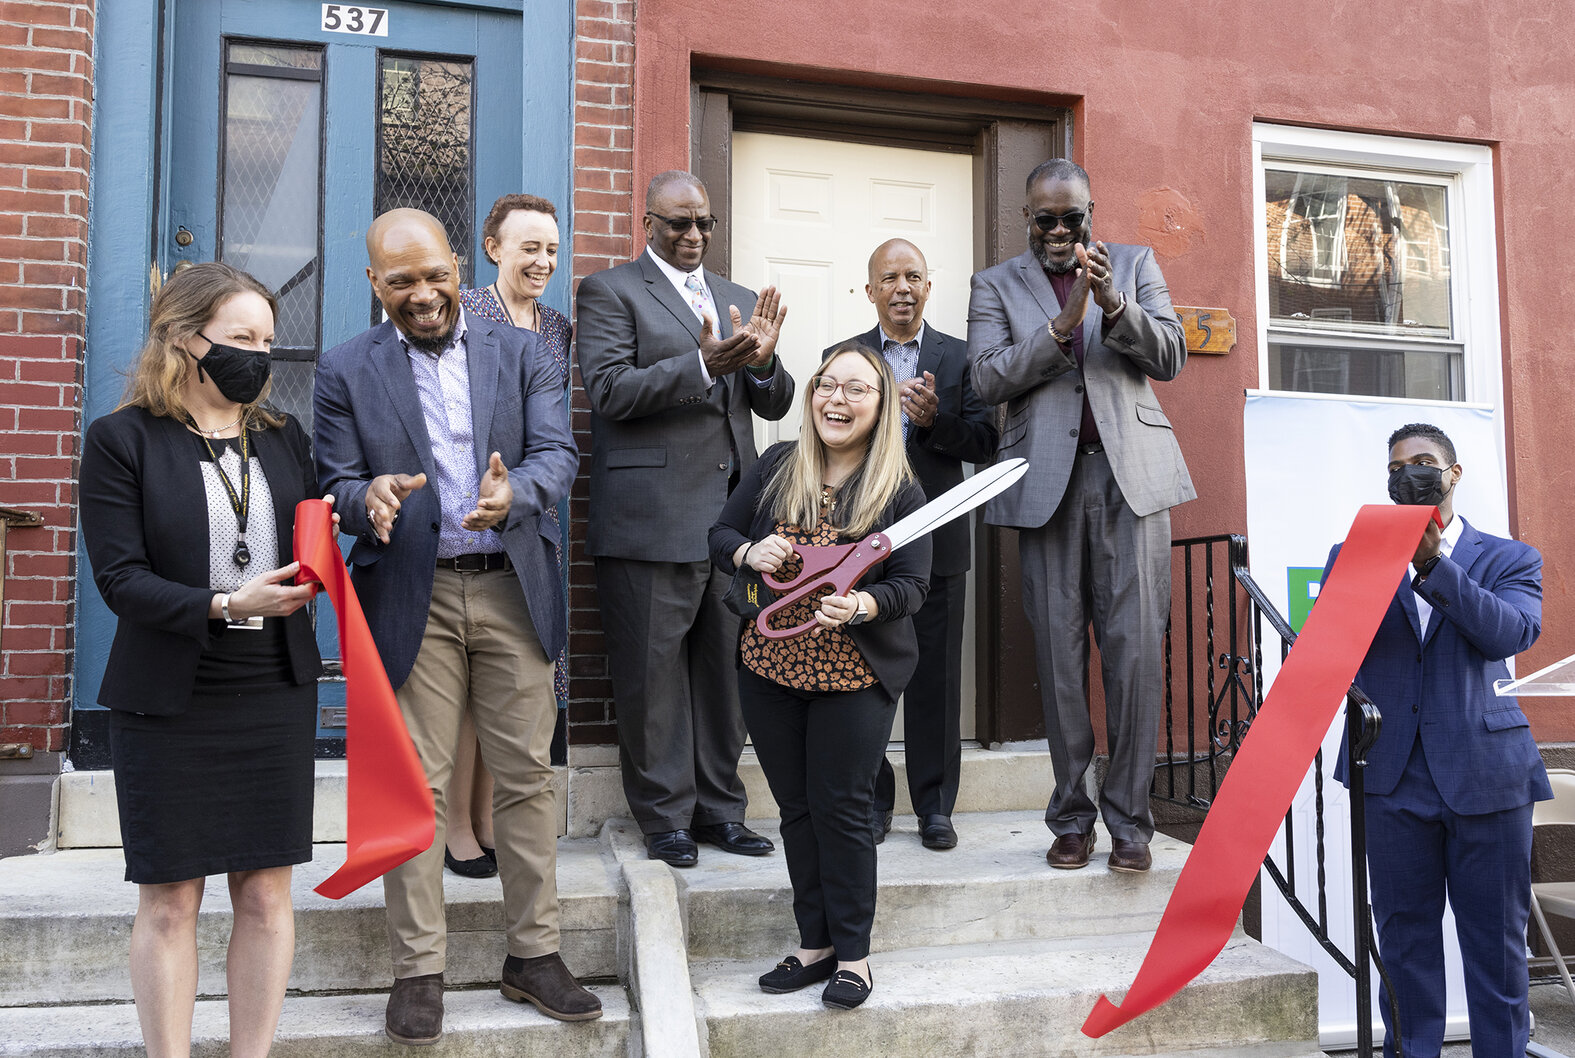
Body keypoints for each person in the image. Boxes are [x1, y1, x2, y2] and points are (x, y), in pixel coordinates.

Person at [313, 208, 596, 1044]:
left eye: (435, 274)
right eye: (402, 281)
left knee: (525, 779)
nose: (424, 293)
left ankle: (533, 957)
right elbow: (333, 478)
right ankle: (418, 971)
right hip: (413, 591)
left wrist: (523, 493)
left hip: (510, 581)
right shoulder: (343, 368)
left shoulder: (524, 350)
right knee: (420, 790)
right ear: (376, 284)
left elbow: (557, 453)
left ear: (456, 267)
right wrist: (364, 501)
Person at [79, 261, 327, 1058]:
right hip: (170, 699)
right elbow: (121, 581)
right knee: (170, 900)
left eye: (267, 340)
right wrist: (225, 603)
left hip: (273, 689)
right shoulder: (121, 441)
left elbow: (318, 533)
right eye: (240, 339)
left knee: (264, 894)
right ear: (185, 340)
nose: (258, 356)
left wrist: (373, 500)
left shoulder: (285, 440)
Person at [969, 158, 1193, 874]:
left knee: (1133, 656)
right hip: (1046, 489)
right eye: (1046, 219)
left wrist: (1117, 308)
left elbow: (1171, 357)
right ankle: (1071, 817)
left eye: (1074, 217)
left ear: (1092, 213)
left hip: (1131, 484)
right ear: (1026, 218)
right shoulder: (994, 285)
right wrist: (1063, 326)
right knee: (1060, 661)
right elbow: (985, 377)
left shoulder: (1134, 263)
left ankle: (1130, 821)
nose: (1061, 231)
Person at [576, 170, 792, 866]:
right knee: (653, 681)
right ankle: (665, 818)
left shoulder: (734, 298)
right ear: (648, 223)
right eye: (677, 224)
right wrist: (702, 365)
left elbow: (773, 401)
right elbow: (609, 392)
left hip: (731, 526)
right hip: (649, 522)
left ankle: (720, 812)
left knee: (726, 676)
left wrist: (758, 364)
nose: (693, 235)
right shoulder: (609, 291)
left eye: (703, 223)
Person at [710, 342, 930, 1009]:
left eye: (855, 389)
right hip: (769, 667)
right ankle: (815, 945)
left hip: (852, 674)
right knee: (797, 810)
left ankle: (854, 957)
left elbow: (913, 585)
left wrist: (864, 603)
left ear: (880, 402)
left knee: (841, 810)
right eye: (826, 385)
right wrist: (751, 549)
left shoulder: (898, 488)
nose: (836, 399)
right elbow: (719, 537)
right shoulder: (780, 465)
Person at [1329, 423, 1546, 1058]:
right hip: (1393, 777)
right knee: (1403, 944)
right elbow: (1333, 653)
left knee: (1496, 947)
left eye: (1424, 462)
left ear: (1454, 475)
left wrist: (1431, 563)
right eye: (1396, 466)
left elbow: (1507, 634)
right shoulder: (1355, 554)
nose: (1410, 473)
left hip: (1489, 777)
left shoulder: (1510, 557)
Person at [831, 238, 996, 850]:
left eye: (914, 277)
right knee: (861, 677)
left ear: (929, 287)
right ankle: (871, 802)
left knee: (935, 683)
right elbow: (827, 442)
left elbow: (985, 441)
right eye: (890, 278)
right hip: (859, 545)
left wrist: (935, 424)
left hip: (938, 542)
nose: (902, 287)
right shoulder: (841, 358)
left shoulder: (960, 359)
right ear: (870, 289)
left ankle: (934, 807)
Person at [442, 194, 570, 879]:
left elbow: (551, 436)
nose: (542, 261)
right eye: (529, 248)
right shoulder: (461, 312)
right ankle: (456, 825)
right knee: (463, 695)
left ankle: (492, 815)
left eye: (550, 249)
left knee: (512, 687)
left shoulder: (557, 327)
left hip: (531, 525)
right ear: (493, 248)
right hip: (464, 524)